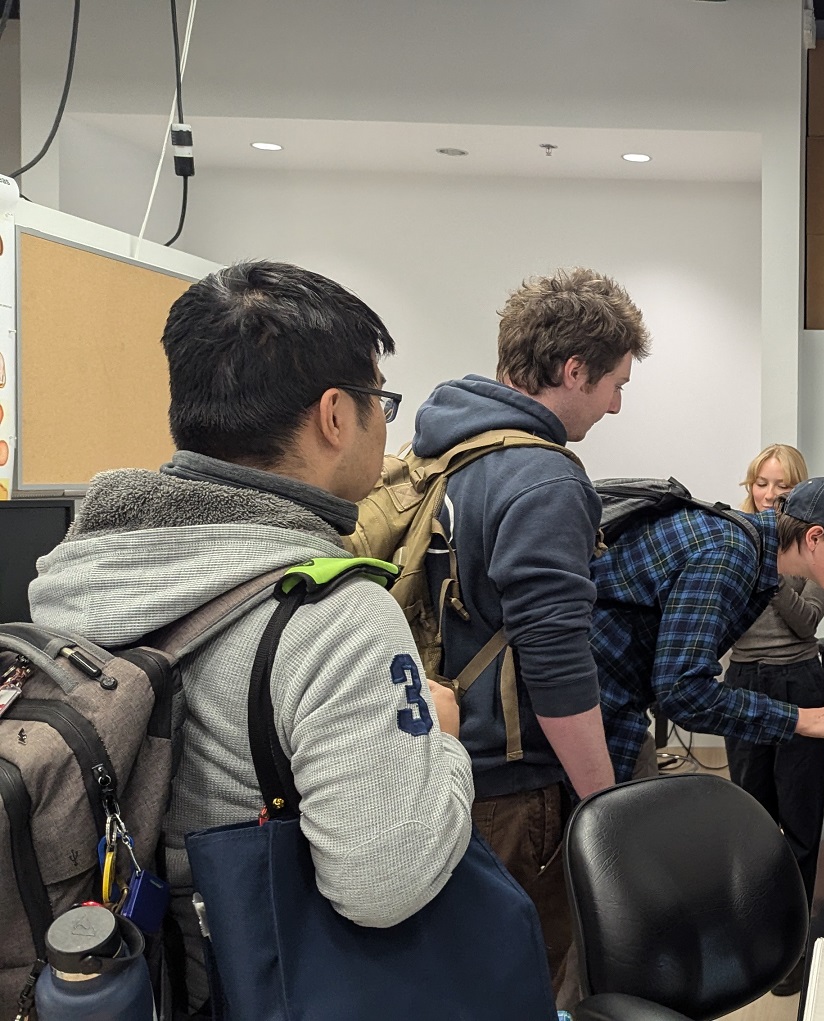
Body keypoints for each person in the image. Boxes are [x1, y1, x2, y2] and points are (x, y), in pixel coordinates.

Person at [29, 261, 473, 1007]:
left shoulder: (74, 571)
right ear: (335, 414)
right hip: (247, 983)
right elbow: (384, 883)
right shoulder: (334, 613)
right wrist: (445, 739)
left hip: (113, 978)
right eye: (380, 401)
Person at [410, 267, 646, 990]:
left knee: (457, 981)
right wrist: (604, 805)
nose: (613, 406)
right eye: (614, 385)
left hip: (437, 762)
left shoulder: (441, 452)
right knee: (523, 982)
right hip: (516, 792)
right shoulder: (544, 480)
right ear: (573, 370)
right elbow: (556, 661)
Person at [589, 476, 824, 787]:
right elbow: (684, 694)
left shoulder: (743, 542)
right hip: (591, 713)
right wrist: (802, 719)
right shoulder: (731, 553)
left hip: (609, 708)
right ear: (814, 537)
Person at [723, 445, 824, 906]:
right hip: (745, 679)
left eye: (782, 486)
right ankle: (757, 923)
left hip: (799, 681)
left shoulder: (820, 544)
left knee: (801, 814)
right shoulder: (733, 536)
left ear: (800, 491)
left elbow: (807, 619)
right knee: (751, 812)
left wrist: (771, 575)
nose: (769, 495)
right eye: (761, 483)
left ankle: (799, 928)